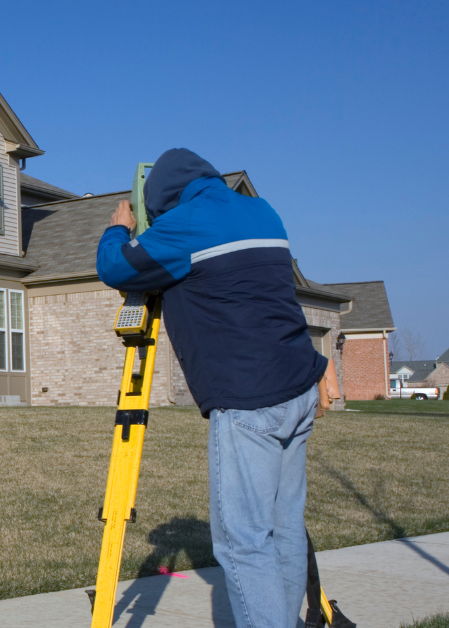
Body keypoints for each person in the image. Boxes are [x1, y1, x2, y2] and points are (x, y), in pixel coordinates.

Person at [96, 148, 339, 628]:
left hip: (250, 401)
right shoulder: (262, 210)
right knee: (284, 529)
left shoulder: (184, 225)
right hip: (298, 387)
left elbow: (116, 268)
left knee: (243, 541)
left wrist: (119, 228)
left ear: (160, 198)